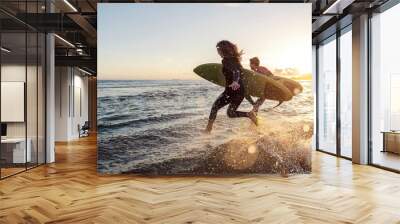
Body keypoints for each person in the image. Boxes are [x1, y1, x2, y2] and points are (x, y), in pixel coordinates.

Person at [205, 40, 258, 133]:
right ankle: (249, 114)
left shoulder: (226, 60)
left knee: (215, 107)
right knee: (231, 113)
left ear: (222, 50)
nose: (217, 52)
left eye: (218, 50)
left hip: (232, 90)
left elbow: (236, 72)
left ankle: (208, 129)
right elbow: (238, 71)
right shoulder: (235, 60)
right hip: (239, 92)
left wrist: (235, 81)